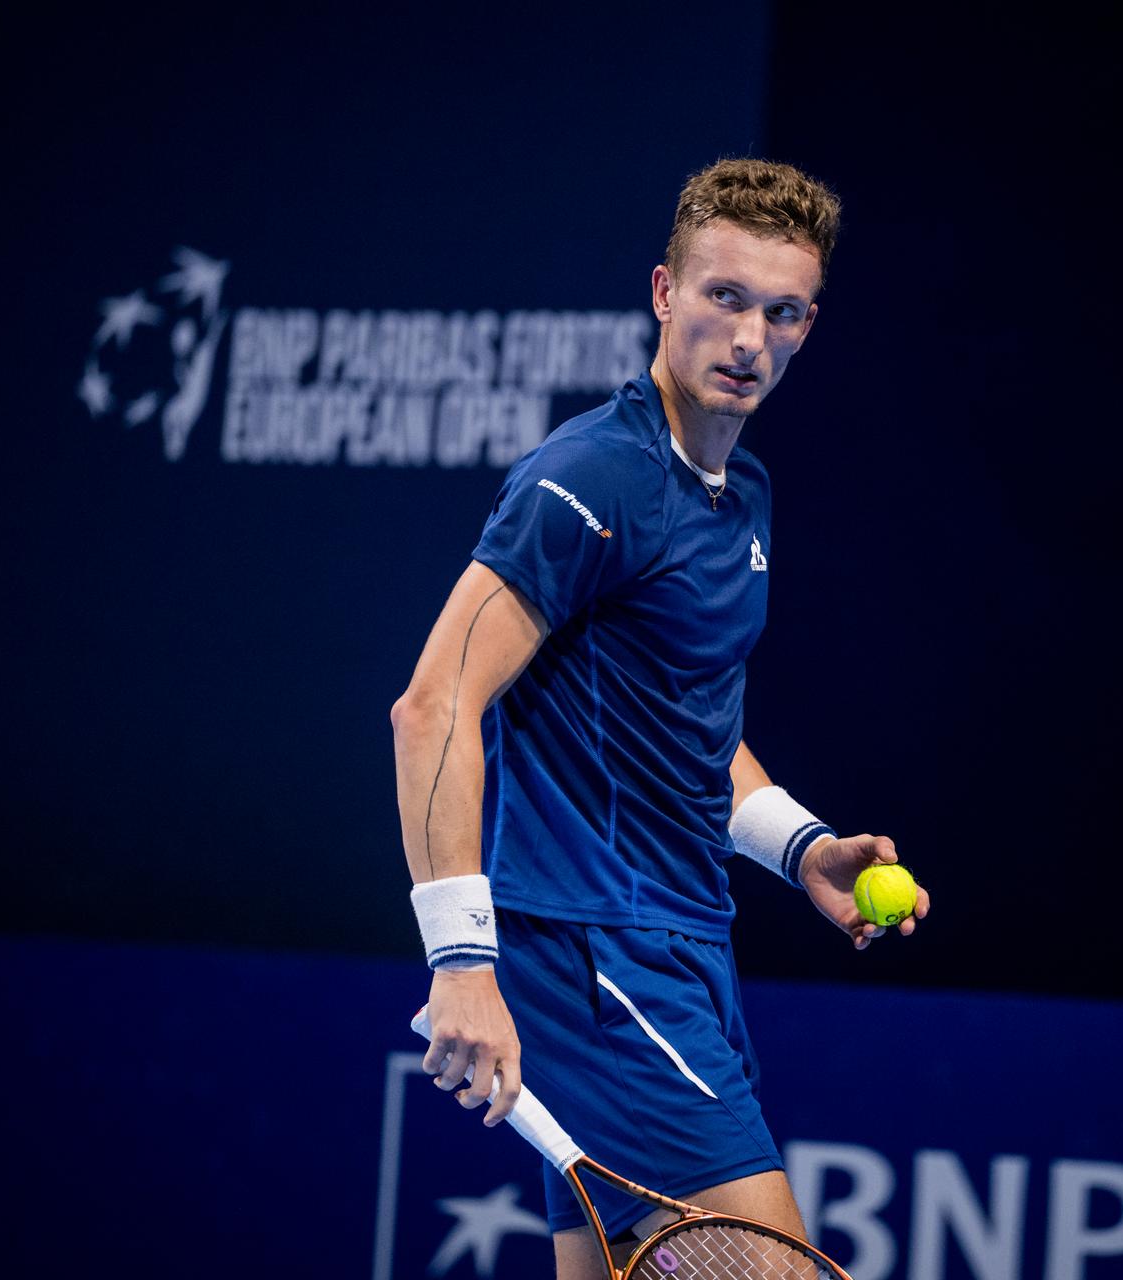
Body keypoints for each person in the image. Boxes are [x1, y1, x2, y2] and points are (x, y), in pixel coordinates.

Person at [390, 157, 929, 1278]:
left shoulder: (743, 496)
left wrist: (804, 848)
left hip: (680, 939)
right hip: (599, 951)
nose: (748, 338)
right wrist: (460, 958)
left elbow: (686, 728)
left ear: (807, 326)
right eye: (724, 297)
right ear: (663, 294)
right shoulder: (595, 476)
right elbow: (433, 703)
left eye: (780, 312)